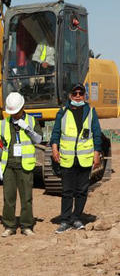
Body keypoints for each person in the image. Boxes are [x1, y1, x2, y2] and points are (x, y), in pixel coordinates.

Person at [51, 83, 103, 233]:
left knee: (82, 191)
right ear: (70, 95)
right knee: (67, 191)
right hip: (67, 158)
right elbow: (56, 133)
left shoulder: (91, 112)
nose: (78, 96)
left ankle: (76, 218)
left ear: (85, 95)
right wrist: (54, 149)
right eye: (75, 93)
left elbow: (97, 134)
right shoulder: (63, 112)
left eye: (81, 93)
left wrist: (97, 153)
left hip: (84, 158)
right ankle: (65, 220)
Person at [0, 92, 42, 237]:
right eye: (12, 112)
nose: (14, 115)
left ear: (22, 107)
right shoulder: (3, 123)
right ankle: (9, 225)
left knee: (26, 198)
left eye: (16, 112)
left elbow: (39, 140)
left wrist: (28, 129)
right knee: (8, 198)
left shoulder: (32, 121)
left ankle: (26, 226)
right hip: (9, 165)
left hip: (25, 165)